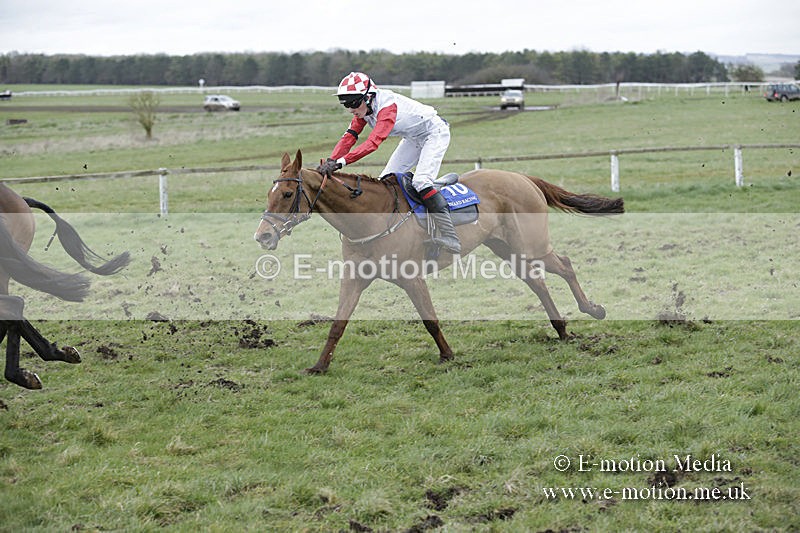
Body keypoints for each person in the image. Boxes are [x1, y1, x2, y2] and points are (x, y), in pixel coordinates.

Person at [317, 72, 461, 254]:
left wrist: (341, 163)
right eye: (346, 104)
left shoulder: (387, 108)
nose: (350, 109)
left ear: (368, 97)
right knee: (384, 182)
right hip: (412, 138)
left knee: (421, 182)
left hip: (434, 133)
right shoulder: (364, 109)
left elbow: (373, 143)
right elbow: (350, 137)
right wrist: (331, 160)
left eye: (353, 103)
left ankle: (451, 236)